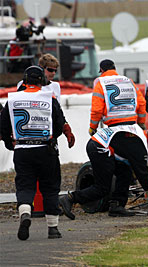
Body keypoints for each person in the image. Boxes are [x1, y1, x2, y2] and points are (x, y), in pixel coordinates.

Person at [86, 59, 148, 212]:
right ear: (115, 68)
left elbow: (97, 109)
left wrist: (92, 127)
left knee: (123, 165)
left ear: (101, 70)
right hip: (132, 127)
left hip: (114, 129)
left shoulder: (100, 82)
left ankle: (114, 200)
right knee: (131, 164)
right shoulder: (128, 81)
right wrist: (140, 124)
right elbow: (141, 104)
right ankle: (120, 202)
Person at [0, 66, 65, 240]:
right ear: (42, 81)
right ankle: (53, 229)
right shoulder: (49, 98)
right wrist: (52, 138)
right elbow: (60, 123)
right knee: (50, 188)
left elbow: (4, 124)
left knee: (25, 186)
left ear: (25, 80)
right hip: (46, 149)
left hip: (22, 150)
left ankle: (25, 212)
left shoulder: (12, 99)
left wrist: (9, 143)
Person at [59, 125, 148, 219]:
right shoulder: (139, 143)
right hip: (100, 147)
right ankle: (70, 198)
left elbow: (131, 162)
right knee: (103, 188)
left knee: (125, 172)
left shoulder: (136, 132)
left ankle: (117, 205)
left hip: (100, 143)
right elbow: (142, 173)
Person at [17, 53, 75, 148]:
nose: (53, 73)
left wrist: (65, 127)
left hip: (48, 130)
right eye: (50, 70)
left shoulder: (55, 86)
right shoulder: (23, 85)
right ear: (41, 68)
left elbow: (57, 111)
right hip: (29, 129)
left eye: (55, 71)